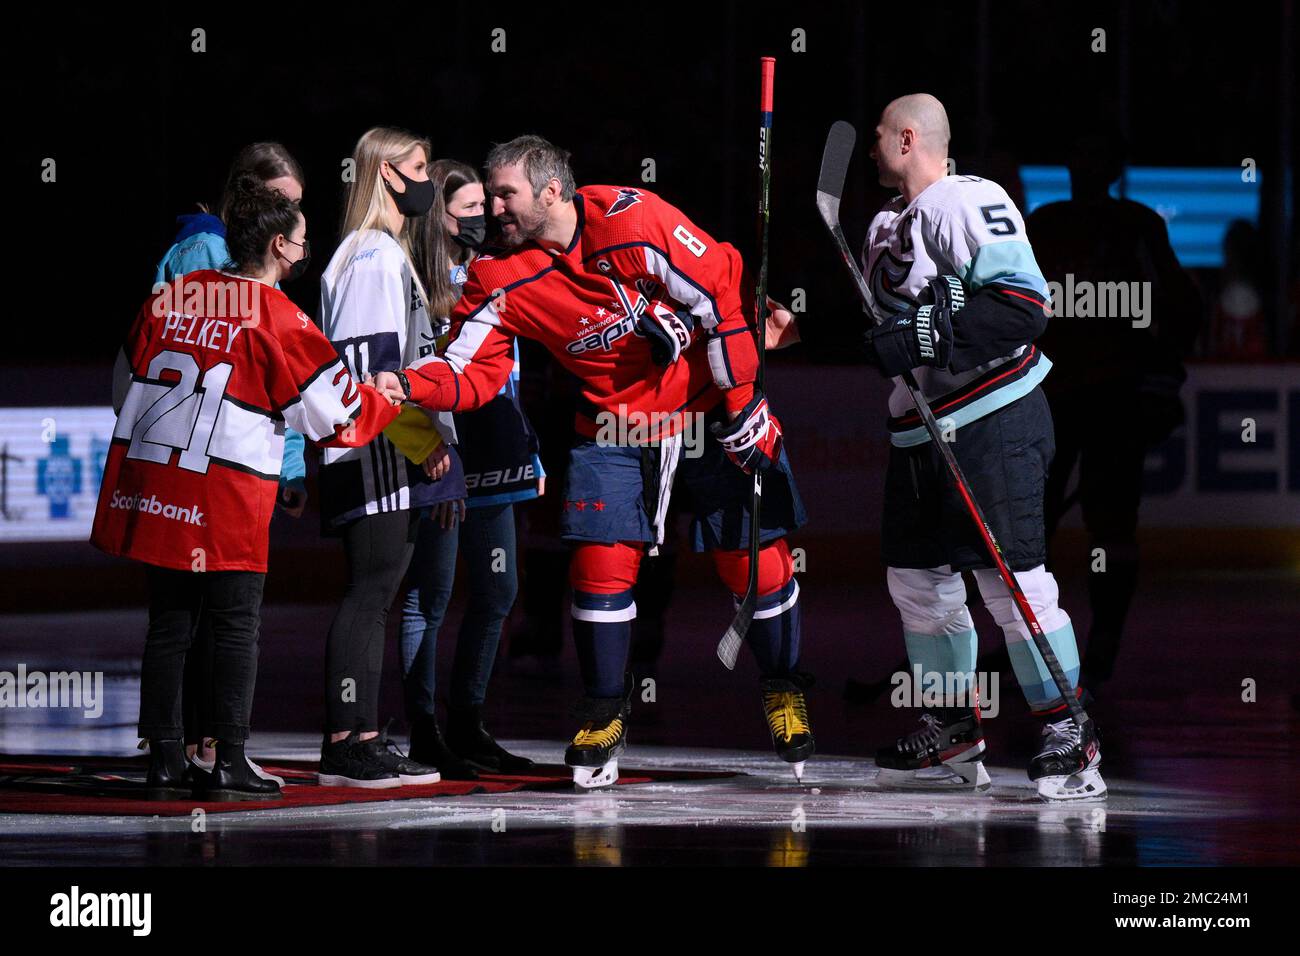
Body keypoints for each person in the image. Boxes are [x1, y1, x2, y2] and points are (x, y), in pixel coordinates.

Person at [375, 134, 812, 788]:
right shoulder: (498, 274)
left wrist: (744, 401)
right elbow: (469, 370)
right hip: (615, 420)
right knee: (600, 565)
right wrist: (408, 385)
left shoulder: (632, 217)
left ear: (552, 191)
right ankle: (604, 711)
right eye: (491, 195)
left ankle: (783, 689)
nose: (494, 208)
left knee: (750, 553)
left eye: (505, 194)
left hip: (705, 400)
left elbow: (720, 289)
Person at [766, 95, 1104, 801]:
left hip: (996, 418)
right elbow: (880, 326)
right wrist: (801, 330)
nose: (871, 149)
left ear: (909, 138)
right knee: (918, 585)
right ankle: (954, 724)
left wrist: (925, 338)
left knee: (1009, 584)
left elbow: (1023, 304)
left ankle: (1071, 734)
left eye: (881, 136)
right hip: (921, 430)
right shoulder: (889, 223)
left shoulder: (968, 199)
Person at [91, 175, 401, 800]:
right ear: (283, 247)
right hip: (224, 492)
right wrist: (387, 400)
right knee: (235, 623)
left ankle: (166, 761)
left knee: (170, 622)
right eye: (304, 241)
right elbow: (337, 418)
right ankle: (229, 758)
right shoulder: (282, 317)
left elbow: (129, 369)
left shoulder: (177, 293)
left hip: (159, 481)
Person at [153, 142, 308, 784]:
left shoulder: (250, 291)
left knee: (187, 617)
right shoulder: (215, 267)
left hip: (194, 460)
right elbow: (294, 385)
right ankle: (206, 749)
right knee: (218, 617)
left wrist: (292, 463)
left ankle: (185, 752)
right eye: (283, 207)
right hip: (212, 469)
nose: (293, 226)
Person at [316, 127, 465, 788]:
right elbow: (370, 368)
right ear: (383, 175)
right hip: (376, 449)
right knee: (370, 591)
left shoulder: (376, 253)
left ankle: (365, 736)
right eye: (417, 166)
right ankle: (347, 741)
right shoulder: (372, 257)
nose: (426, 179)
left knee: (377, 594)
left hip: (381, 447)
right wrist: (421, 440)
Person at [1028, 130, 1201, 695]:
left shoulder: (1135, 225)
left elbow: (1176, 305)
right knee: (1036, 525)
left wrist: (1162, 375)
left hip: (1108, 401)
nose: (1086, 164)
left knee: (1108, 527)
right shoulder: (1048, 223)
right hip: (1052, 399)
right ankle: (1036, 641)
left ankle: (1099, 643)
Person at [398, 159, 543, 777]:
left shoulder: (504, 268)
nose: (486, 217)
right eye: (469, 210)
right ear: (441, 217)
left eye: (488, 205)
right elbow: (405, 376)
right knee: (430, 595)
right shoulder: (416, 277)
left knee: (499, 589)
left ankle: (468, 719)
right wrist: (433, 451)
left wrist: (526, 445)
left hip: (499, 452)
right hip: (444, 455)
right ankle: (423, 728)